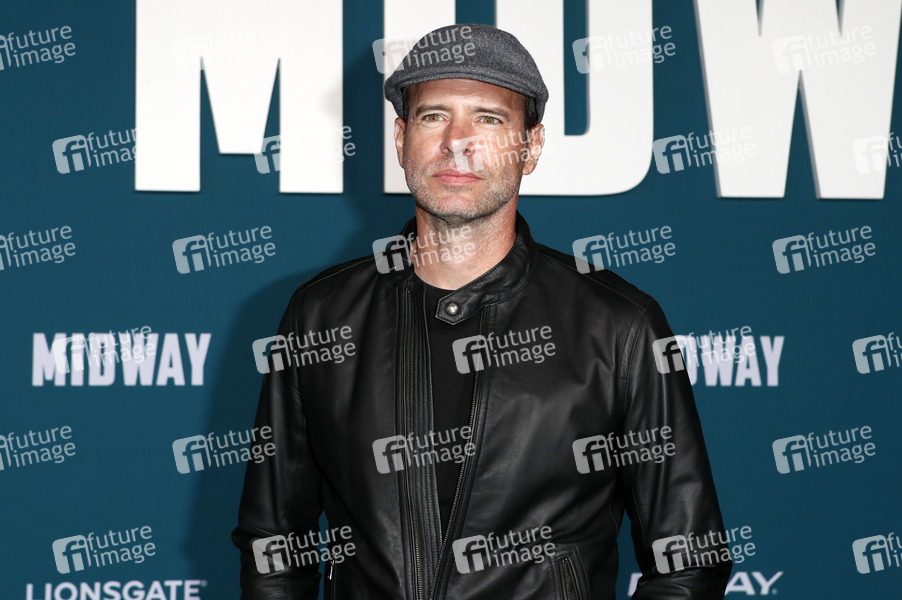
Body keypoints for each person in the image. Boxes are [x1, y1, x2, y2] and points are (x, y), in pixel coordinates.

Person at [233, 23, 731, 599]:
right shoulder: (320, 318)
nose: (457, 142)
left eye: (489, 119)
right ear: (401, 139)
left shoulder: (619, 325)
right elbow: (274, 544)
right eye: (433, 116)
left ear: (532, 146)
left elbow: (688, 562)